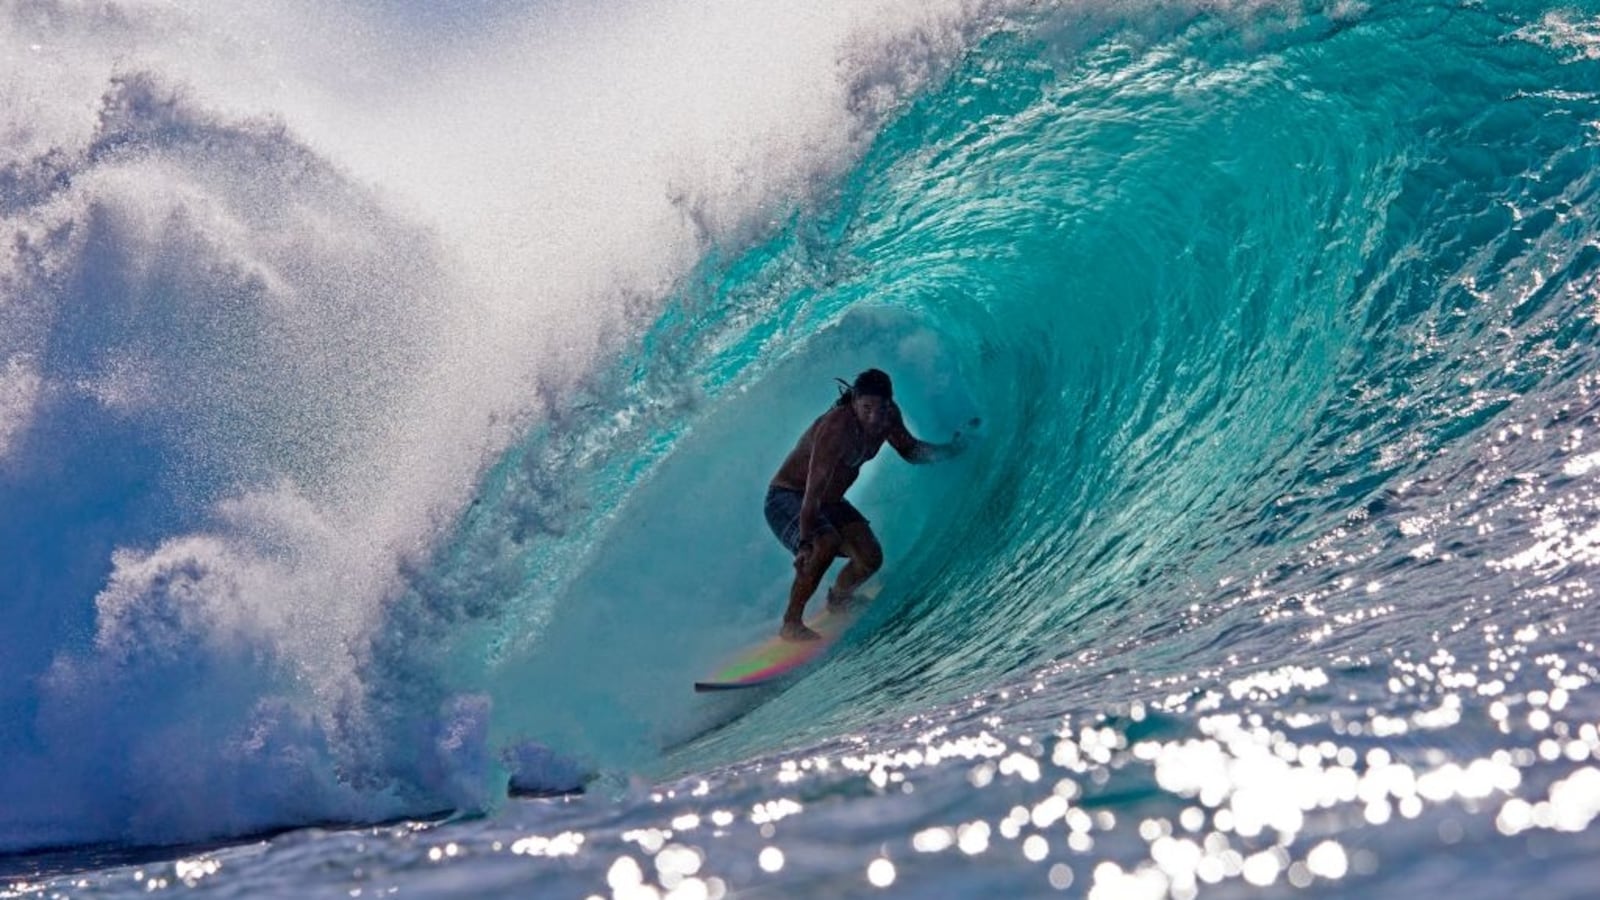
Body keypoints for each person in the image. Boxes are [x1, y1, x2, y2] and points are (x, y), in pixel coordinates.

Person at [764, 368, 970, 641]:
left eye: (882, 407)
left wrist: (949, 450)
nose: (874, 416)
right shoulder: (835, 429)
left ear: (890, 403)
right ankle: (791, 624)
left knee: (870, 558)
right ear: (854, 403)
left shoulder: (888, 418)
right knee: (824, 542)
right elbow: (812, 493)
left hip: (831, 502)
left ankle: (838, 599)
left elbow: (910, 451)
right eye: (866, 407)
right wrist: (804, 545)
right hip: (789, 497)